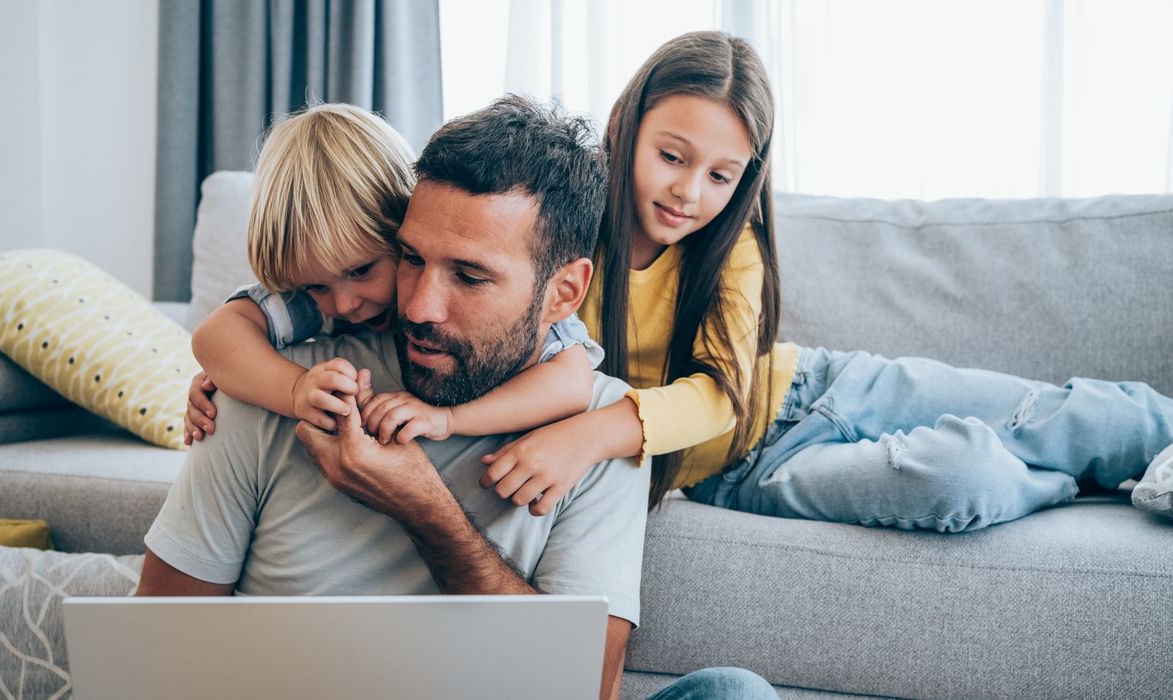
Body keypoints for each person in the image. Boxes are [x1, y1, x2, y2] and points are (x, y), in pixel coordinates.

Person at [141, 96, 776, 700]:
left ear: (564, 294)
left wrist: (424, 508)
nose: (417, 307)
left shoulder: (594, 433)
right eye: (411, 259)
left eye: (470, 276)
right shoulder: (276, 388)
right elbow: (151, 658)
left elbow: (583, 689)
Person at [477, 30, 1173, 532]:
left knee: (1069, 415)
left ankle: (1132, 456)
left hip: (824, 386)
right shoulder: (565, 241)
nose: (689, 192)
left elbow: (723, 395)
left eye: (720, 176)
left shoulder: (731, 249)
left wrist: (594, 434)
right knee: (964, 480)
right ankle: (1082, 481)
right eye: (671, 156)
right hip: (747, 472)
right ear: (626, 125)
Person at [185, 102, 598, 454]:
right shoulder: (319, 301)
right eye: (315, 286)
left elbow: (572, 384)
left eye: (362, 271)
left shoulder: (534, 308)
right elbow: (215, 337)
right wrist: (286, 387)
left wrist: (450, 419)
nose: (345, 305)